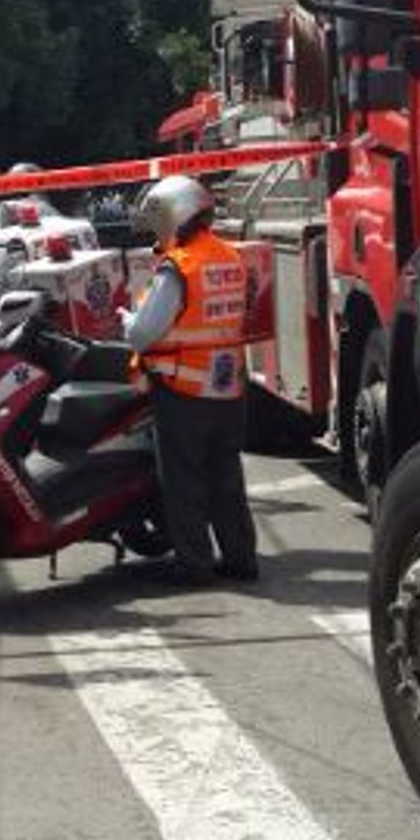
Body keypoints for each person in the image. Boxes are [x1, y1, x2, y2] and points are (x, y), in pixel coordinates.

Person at [124, 173, 259, 585]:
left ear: (173, 216)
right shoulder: (231, 257)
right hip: (229, 388)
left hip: (183, 391)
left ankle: (195, 566)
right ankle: (241, 559)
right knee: (226, 478)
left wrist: (127, 319)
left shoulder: (179, 267)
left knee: (184, 481)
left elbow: (142, 334)